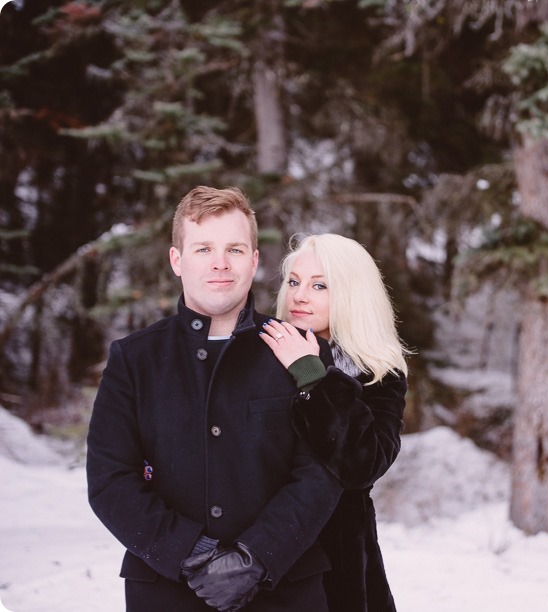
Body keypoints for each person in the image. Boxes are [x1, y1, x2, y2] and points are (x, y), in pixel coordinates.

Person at [86, 187, 343, 612]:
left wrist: (256, 557)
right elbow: (110, 479)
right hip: (166, 590)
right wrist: (194, 554)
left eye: (235, 249)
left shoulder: (300, 350)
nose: (220, 263)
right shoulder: (134, 359)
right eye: (203, 248)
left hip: (285, 589)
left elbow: (323, 469)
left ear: (255, 261)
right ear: (177, 260)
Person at [258, 233, 410, 612]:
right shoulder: (259, 354)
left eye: (319, 285)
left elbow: (364, 464)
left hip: (335, 562)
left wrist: (312, 376)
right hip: (258, 554)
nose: (299, 296)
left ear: (352, 293)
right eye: (293, 282)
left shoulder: (378, 372)